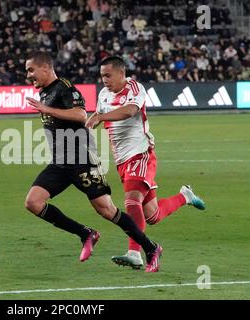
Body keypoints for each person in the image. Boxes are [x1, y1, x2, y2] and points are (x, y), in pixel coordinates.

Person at [24, 51, 163, 272]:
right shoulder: (45, 92)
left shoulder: (64, 87)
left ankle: (151, 248)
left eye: (31, 70)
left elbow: (80, 114)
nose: (28, 75)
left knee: (107, 210)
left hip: (81, 161)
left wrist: (47, 109)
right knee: (33, 202)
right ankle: (86, 233)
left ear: (45, 68)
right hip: (60, 162)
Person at [86, 56, 206, 269]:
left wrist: (101, 118)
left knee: (131, 201)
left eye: (108, 75)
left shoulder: (134, 88)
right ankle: (185, 196)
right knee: (152, 215)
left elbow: (130, 111)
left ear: (121, 74)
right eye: (101, 75)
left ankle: (135, 253)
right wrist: (90, 122)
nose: (103, 79)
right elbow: (99, 114)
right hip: (122, 159)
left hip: (140, 153)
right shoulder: (104, 94)